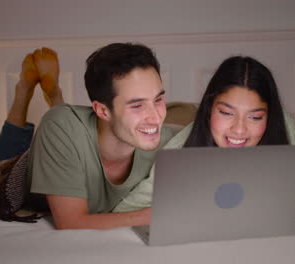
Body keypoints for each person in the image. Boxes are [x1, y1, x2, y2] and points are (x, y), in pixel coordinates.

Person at [113, 56, 295, 219]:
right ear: (209, 111)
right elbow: (128, 208)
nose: (239, 130)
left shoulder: (286, 131)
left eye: (255, 117)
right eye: (226, 113)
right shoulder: (180, 147)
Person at [26, 43, 180, 230]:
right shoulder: (59, 126)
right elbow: (70, 222)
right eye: (137, 106)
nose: (156, 117)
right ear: (103, 111)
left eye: (158, 100)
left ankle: (55, 96)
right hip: (22, 166)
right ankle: (27, 93)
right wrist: (157, 214)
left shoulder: (170, 142)